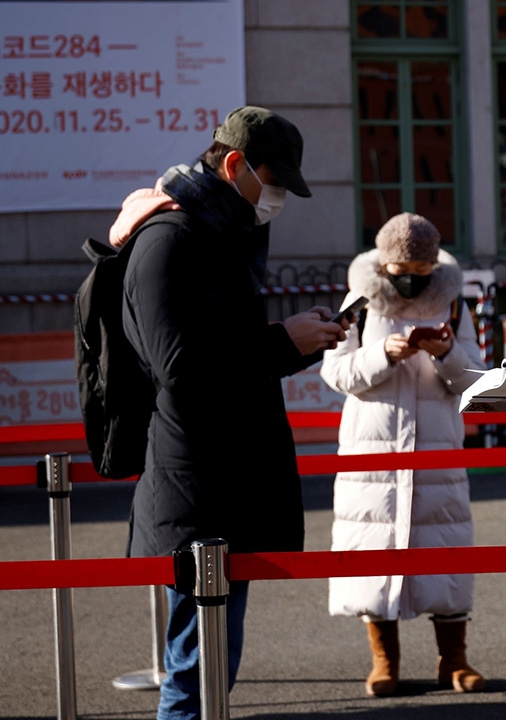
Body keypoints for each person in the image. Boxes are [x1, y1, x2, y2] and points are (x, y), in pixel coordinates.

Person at [118, 106, 348, 719]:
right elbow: (180, 366)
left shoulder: (219, 234)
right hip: (195, 489)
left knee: (212, 664)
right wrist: (280, 342)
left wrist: (295, 342)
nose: (276, 201)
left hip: (222, 485)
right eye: (272, 184)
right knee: (195, 674)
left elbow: (224, 351)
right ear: (232, 165)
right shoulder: (171, 238)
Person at [320, 212, 487, 697]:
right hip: (371, 453)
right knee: (373, 554)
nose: (412, 280)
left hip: (437, 449)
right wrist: (382, 355)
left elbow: (473, 379)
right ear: (384, 263)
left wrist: (446, 350)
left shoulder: (453, 304)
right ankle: (383, 662)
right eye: (402, 270)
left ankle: (453, 660)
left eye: (421, 270)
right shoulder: (358, 302)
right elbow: (336, 374)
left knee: (446, 550)